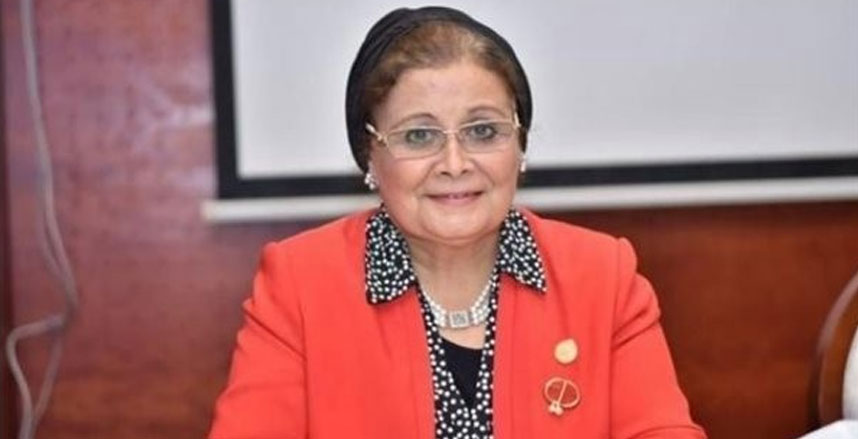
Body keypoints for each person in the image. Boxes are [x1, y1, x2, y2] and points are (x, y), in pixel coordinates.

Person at [209, 6, 706, 439]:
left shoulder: (603, 276)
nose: (454, 163)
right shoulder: (300, 286)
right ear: (370, 157)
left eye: (483, 131)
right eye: (419, 136)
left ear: (520, 145)